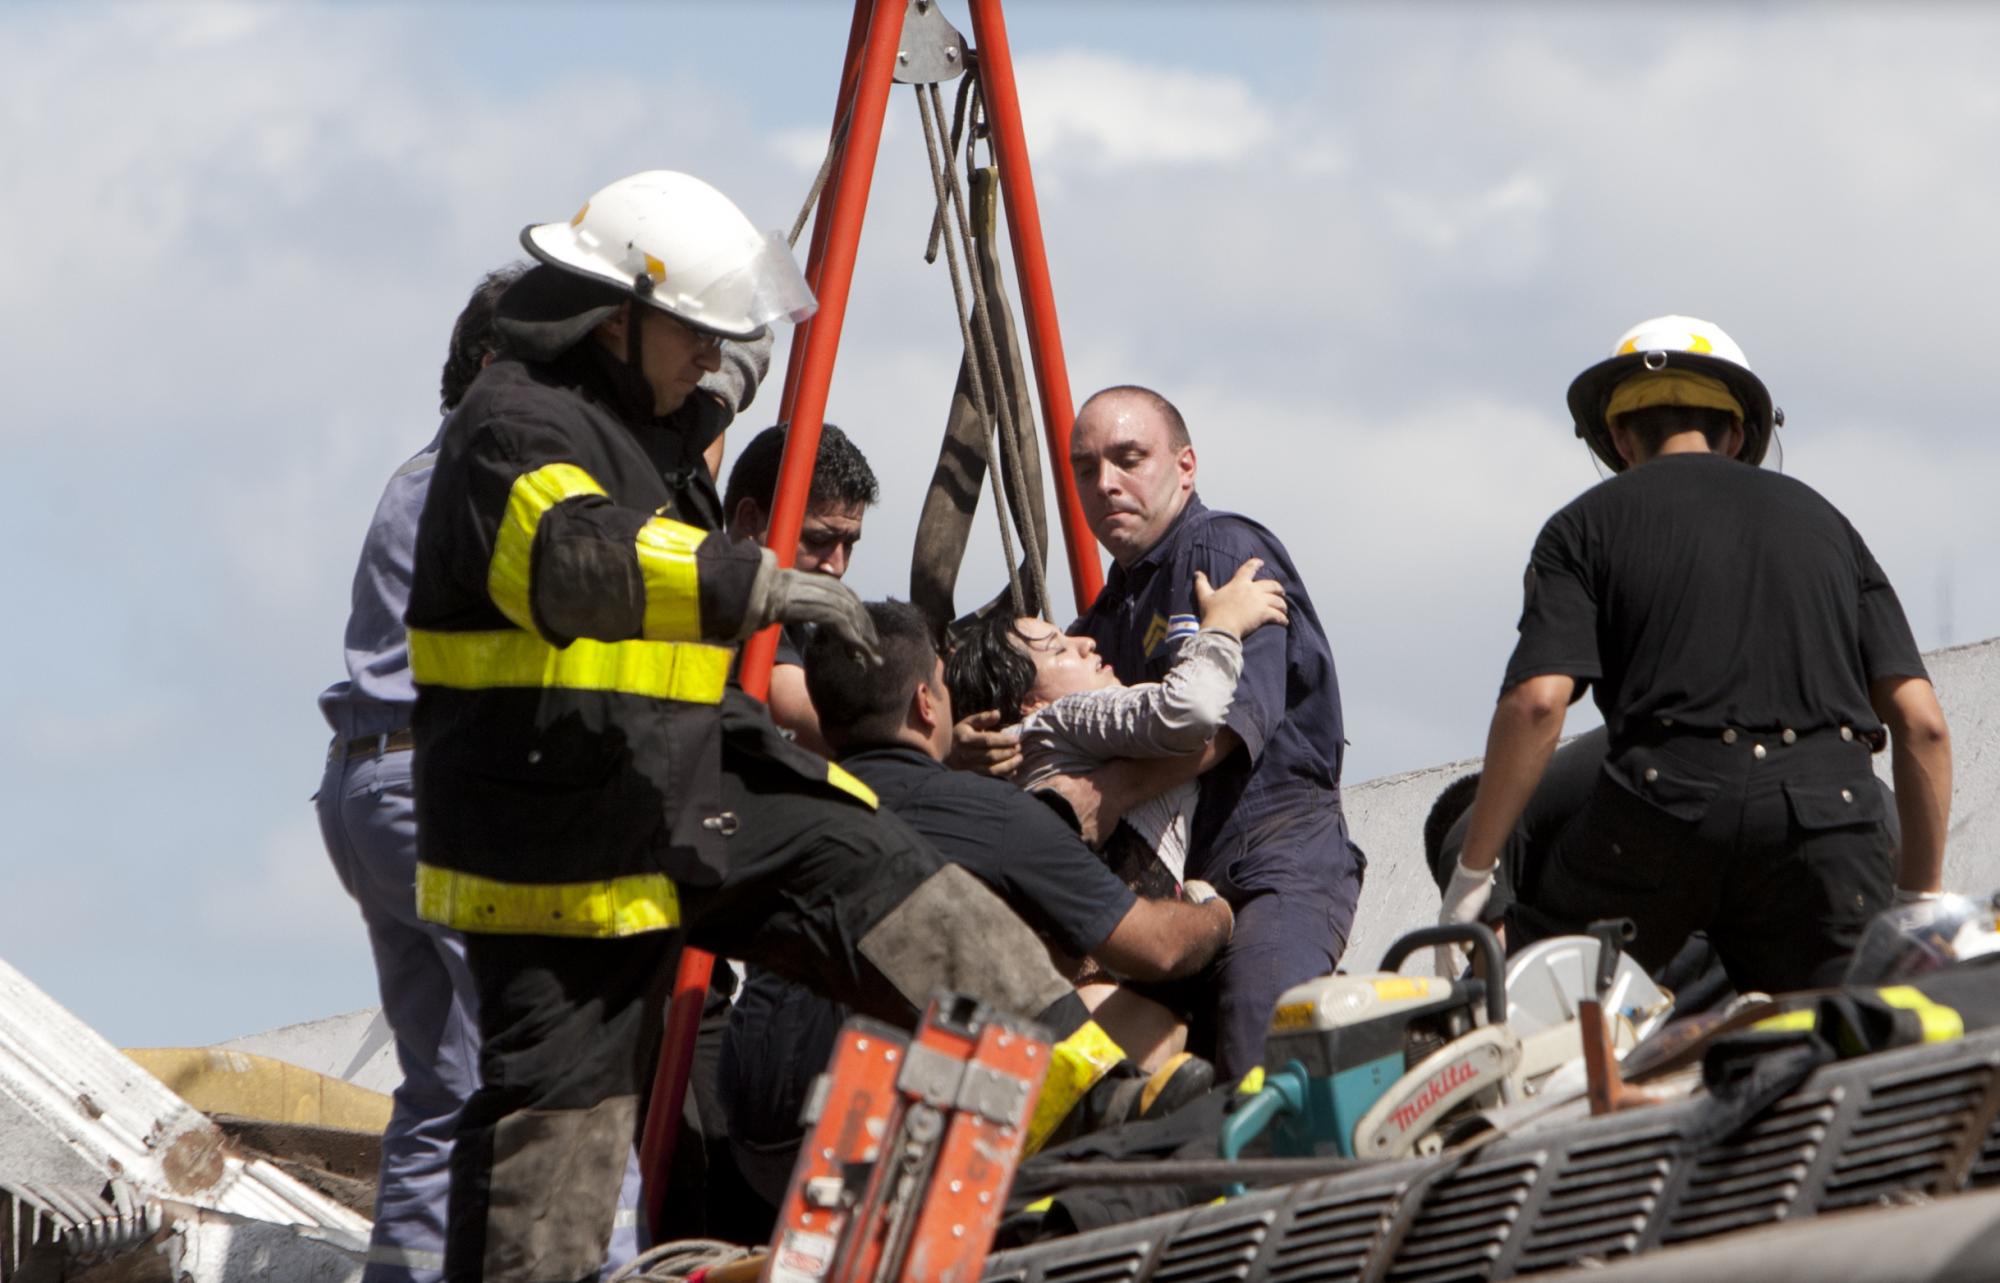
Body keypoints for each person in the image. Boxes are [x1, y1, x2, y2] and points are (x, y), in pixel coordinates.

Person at [408, 172, 1191, 1282]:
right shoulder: (512, 427)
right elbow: (576, 556)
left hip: (676, 773)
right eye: (696, 335)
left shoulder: (645, 413)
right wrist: (755, 585)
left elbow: (710, 401)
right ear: (615, 318)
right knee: (563, 1129)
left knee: (881, 866)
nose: (708, 363)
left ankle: (1106, 1099)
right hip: (556, 838)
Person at [1442, 315, 1953, 994]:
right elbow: (1923, 724)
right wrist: (1917, 904)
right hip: (1829, 817)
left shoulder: (1581, 526)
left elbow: (1538, 703)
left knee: (1548, 1001)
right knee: (1856, 1033)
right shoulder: (1830, 525)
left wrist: (1475, 881)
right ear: (1738, 433)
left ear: (1621, 438)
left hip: (1660, 810)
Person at [719, 601, 1233, 1208]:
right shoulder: (993, 815)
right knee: (1153, 1020)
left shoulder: (792, 819)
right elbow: (1161, 947)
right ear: (926, 703)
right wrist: (1218, 911)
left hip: (757, 1144)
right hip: (870, 1136)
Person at [1054, 385, 1366, 1079]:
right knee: (1088, 1070)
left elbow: (1216, 731)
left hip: (1273, 862)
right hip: (1177, 895)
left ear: (1185, 466)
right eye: (1084, 467)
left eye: (1128, 458)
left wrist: (1102, 794)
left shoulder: (1223, 550)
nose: (1105, 483)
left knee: (1260, 1061)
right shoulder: (1101, 621)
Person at [945, 558, 1287, 894]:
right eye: (1057, 648)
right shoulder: (1059, 718)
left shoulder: (1012, 768)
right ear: (1029, 703)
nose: (1085, 643)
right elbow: (1189, 709)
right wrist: (1223, 624)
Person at [721, 421, 879, 753]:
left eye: (848, 544)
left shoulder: (802, 628)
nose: (836, 565)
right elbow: (794, 709)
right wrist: (930, 749)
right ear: (750, 519)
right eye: (818, 539)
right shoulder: (730, 600)